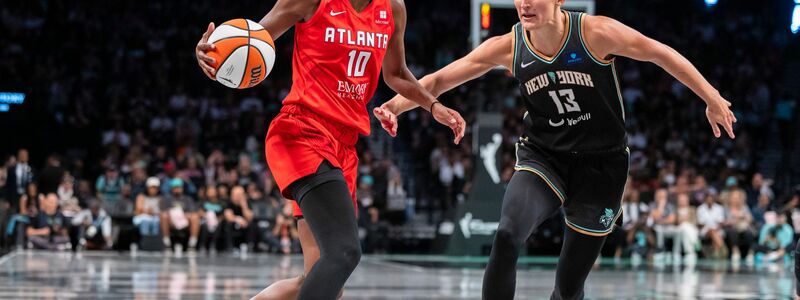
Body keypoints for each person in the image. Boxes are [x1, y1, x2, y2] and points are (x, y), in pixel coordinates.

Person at [375, 0, 736, 298]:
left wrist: (711, 97)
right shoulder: (510, 45)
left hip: (602, 166)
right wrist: (395, 106)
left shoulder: (594, 33)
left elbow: (660, 53)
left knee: (568, 286)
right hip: (543, 156)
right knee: (506, 234)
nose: (525, 4)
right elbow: (439, 79)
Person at [196, 0, 467, 298]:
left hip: (343, 145)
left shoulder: (393, 8)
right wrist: (215, 54)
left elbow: (397, 74)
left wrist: (433, 105)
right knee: (344, 253)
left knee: (324, 281)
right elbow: (254, 37)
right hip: (302, 132)